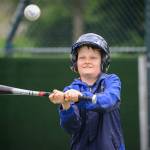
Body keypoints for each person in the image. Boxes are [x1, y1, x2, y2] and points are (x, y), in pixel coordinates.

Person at [49, 33, 125, 150]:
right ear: (75, 62)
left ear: (103, 61)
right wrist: (65, 104)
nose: (87, 61)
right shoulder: (70, 90)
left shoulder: (112, 81)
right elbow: (71, 127)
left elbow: (109, 101)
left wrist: (81, 97)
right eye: (82, 57)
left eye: (93, 57)